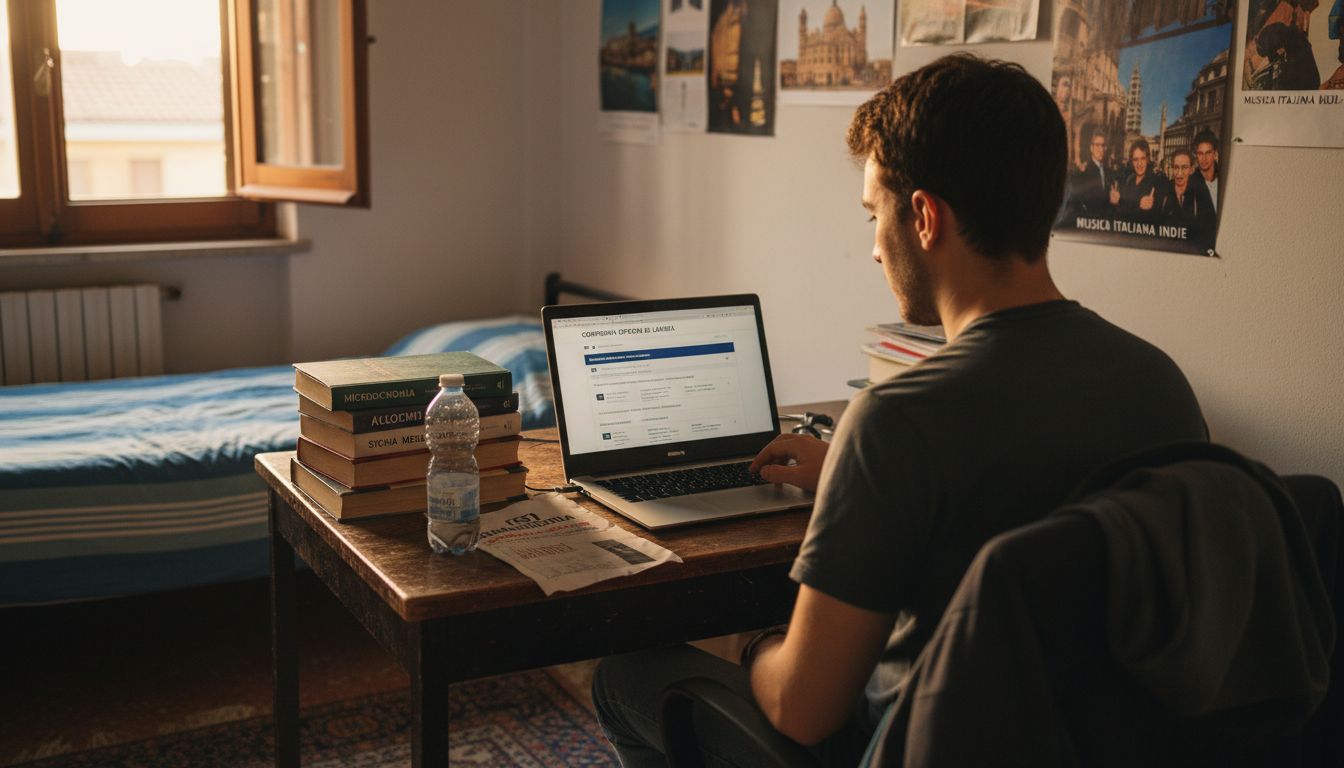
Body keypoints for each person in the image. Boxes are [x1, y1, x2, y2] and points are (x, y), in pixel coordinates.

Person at [591, 54, 1206, 767]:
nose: (874, 247)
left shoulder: (896, 422)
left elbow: (803, 709)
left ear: (922, 217)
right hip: (1104, 747)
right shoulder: (1161, 386)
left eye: (873, 213)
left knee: (624, 676)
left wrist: (755, 644)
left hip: (912, 747)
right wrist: (851, 479)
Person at [1160, 149, 1216, 239]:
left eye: (1184, 167)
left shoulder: (1200, 191)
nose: (1179, 173)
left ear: (1191, 169)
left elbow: (1210, 225)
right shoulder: (1164, 190)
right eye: (1176, 167)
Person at [1110, 138, 1167, 223]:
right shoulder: (1129, 180)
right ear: (1131, 161)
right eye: (1135, 159)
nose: (1139, 164)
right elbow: (1121, 213)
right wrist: (1115, 203)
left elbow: (1160, 218)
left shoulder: (1157, 182)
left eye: (1142, 158)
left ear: (1148, 159)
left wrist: (1152, 210)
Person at [1068, 129, 1112, 216]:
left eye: (1103, 145)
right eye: (1097, 145)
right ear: (1091, 148)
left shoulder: (1108, 171)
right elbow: (1075, 200)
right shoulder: (1083, 171)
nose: (1101, 149)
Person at [1191, 132, 1221, 213]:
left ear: (1215, 154)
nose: (1204, 158)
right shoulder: (1190, 184)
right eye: (1200, 154)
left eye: (1208, 153)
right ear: (1196, 156)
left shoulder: (1225, 178)